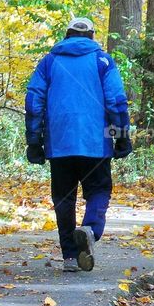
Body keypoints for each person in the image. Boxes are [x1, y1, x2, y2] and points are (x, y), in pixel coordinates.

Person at [24, 18, 132, 272]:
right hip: (96, 142)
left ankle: (70, 257)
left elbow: (33, 102)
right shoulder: (102, 61)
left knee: (63, 198)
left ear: (66, 35)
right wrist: (122, 136)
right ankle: (90, 231)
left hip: (59, 143)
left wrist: (34, 141)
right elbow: (116, 101)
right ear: (92, 36)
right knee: (98, 190)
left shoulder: (49, 62)